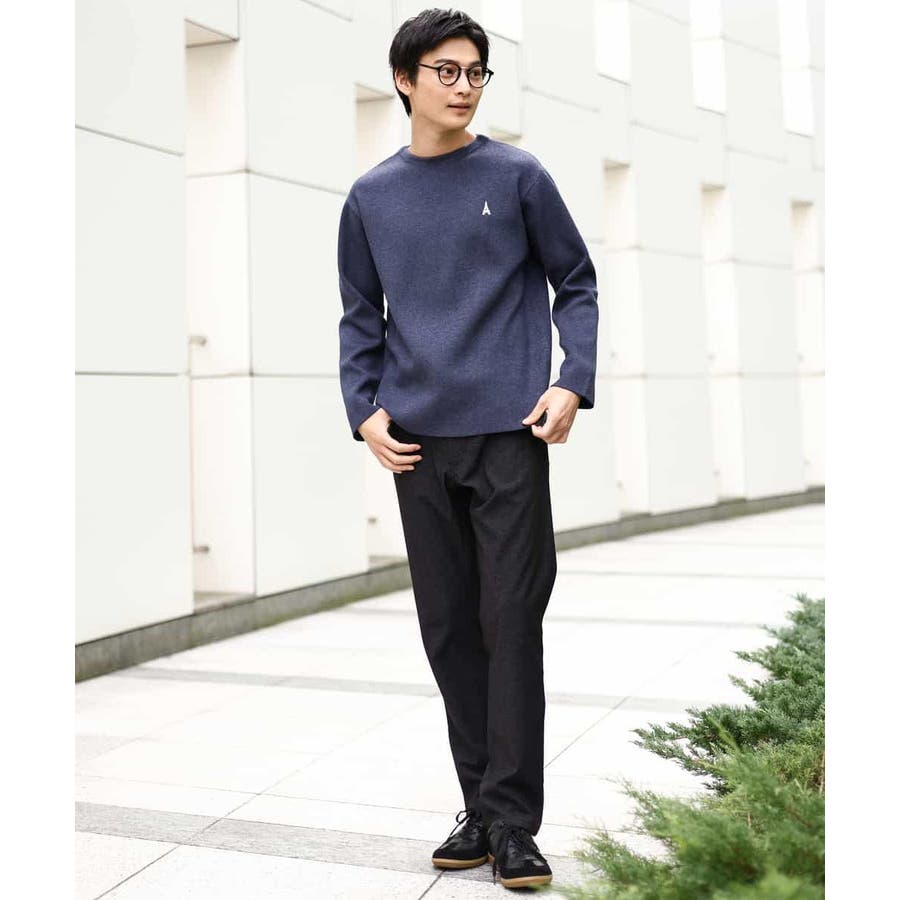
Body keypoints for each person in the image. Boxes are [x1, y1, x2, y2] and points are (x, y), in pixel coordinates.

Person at [336, 7, 598, 890]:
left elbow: (576, 282)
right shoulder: (371, 197)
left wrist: (572, 380)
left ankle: (514, 824)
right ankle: (479, 807)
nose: (463, 86)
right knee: (449, 630)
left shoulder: (518, 175)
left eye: (475, 72)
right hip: (417, 444)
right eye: (445, 71)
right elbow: (360, 316)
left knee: (509, 624)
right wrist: (363, 409)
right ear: (404, 80)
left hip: (509, 438)